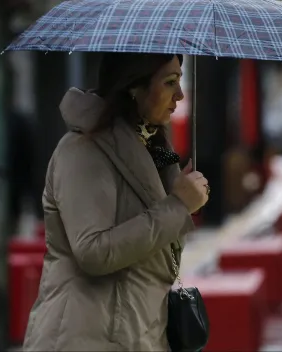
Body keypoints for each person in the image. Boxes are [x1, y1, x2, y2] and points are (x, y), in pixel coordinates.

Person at [23, 53, 209, 351]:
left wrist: (180, 196)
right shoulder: (83, 151)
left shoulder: (153, 150)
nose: (180, 95)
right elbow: (93, 251)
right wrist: (177, 206)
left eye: (181, 81)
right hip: (86, 338)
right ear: (133, 87)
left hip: (136, 333)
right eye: (170, 82)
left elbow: (157, 254)